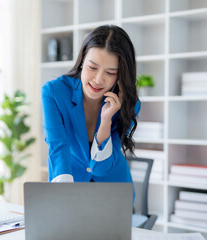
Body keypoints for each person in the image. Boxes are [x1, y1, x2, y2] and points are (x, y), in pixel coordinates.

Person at [41, 25, 140, 183]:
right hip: (68, 182)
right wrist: (61, 192)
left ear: (120, 75)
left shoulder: (128, 103)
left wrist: (106, 120)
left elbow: (101, 168)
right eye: (92, 67)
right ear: (82, 61)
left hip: (113, 188)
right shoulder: (54, 92)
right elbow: (57, 146)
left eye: (110, 73)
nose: (98, 79)